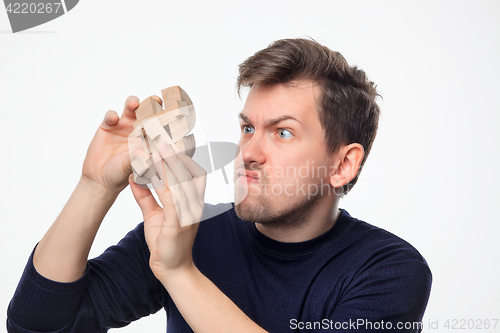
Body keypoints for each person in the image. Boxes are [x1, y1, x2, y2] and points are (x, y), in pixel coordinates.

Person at [7, 38, 431, 333]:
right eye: (247, 127)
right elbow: (36, 325)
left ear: (343, 164)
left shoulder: (389, 270)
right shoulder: (189, 232)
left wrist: (178, 273)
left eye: (282, 132)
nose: (247, 151)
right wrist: (94, 185)